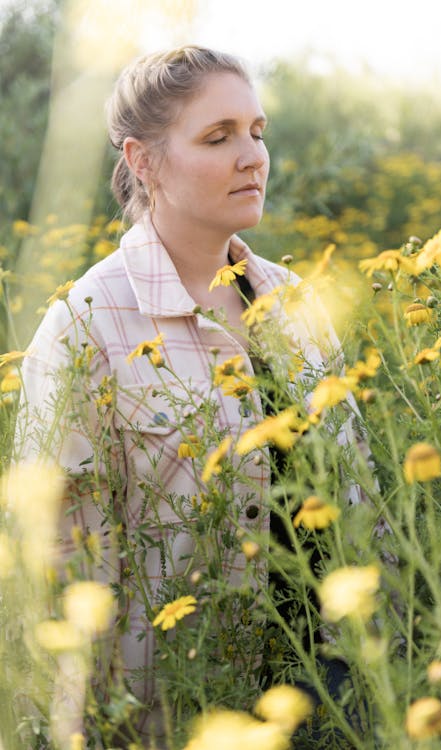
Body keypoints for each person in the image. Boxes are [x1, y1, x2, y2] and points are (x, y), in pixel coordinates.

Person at [18, 46, 371, 745]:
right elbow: (64, 563)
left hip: (336, 699)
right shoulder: (88, 323)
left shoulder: (296, 303)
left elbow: (364, 501)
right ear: (143, 160)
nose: (253, 156)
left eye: (258, 132)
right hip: (182, 710)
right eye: (219, 137)